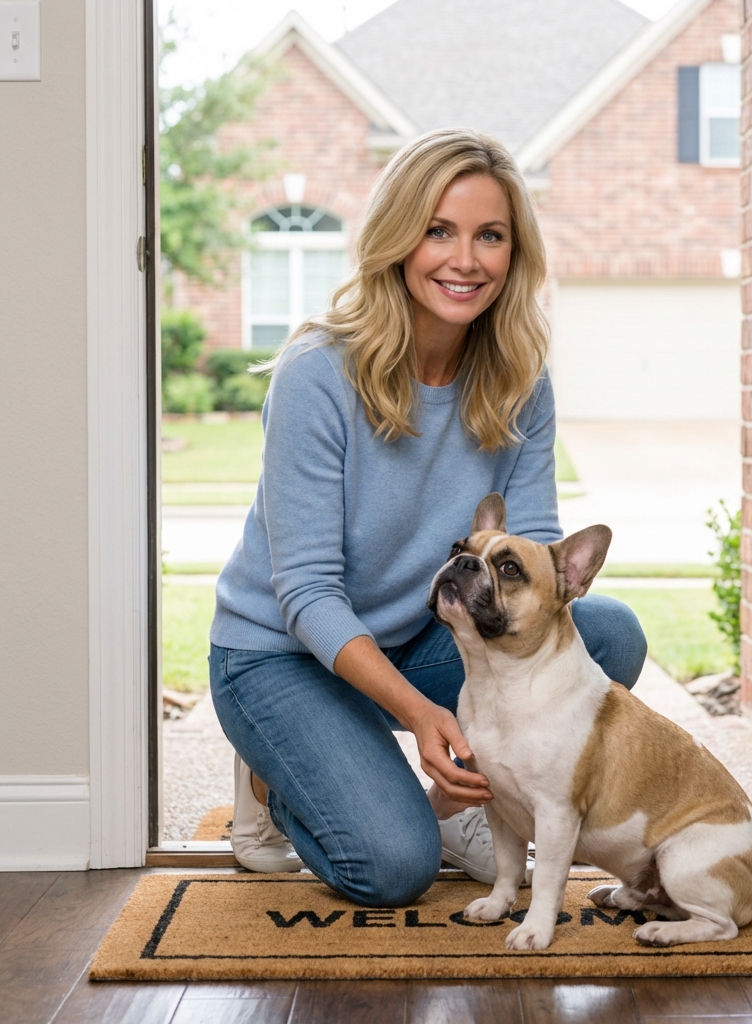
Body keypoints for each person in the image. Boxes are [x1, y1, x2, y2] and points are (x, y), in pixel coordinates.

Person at [209, 128, 648, 907]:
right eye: (438, 230)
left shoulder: (520, 380)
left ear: (516, 253)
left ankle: (439, 797)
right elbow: (305, 591)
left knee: (607, 634)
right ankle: (277, 779)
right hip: (277, 655)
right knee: (393, 867)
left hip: (420, 640)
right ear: (397, 240)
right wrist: (421, 715)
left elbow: (536, 569)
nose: (465, 259)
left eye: (490, 236)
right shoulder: (318, 374)